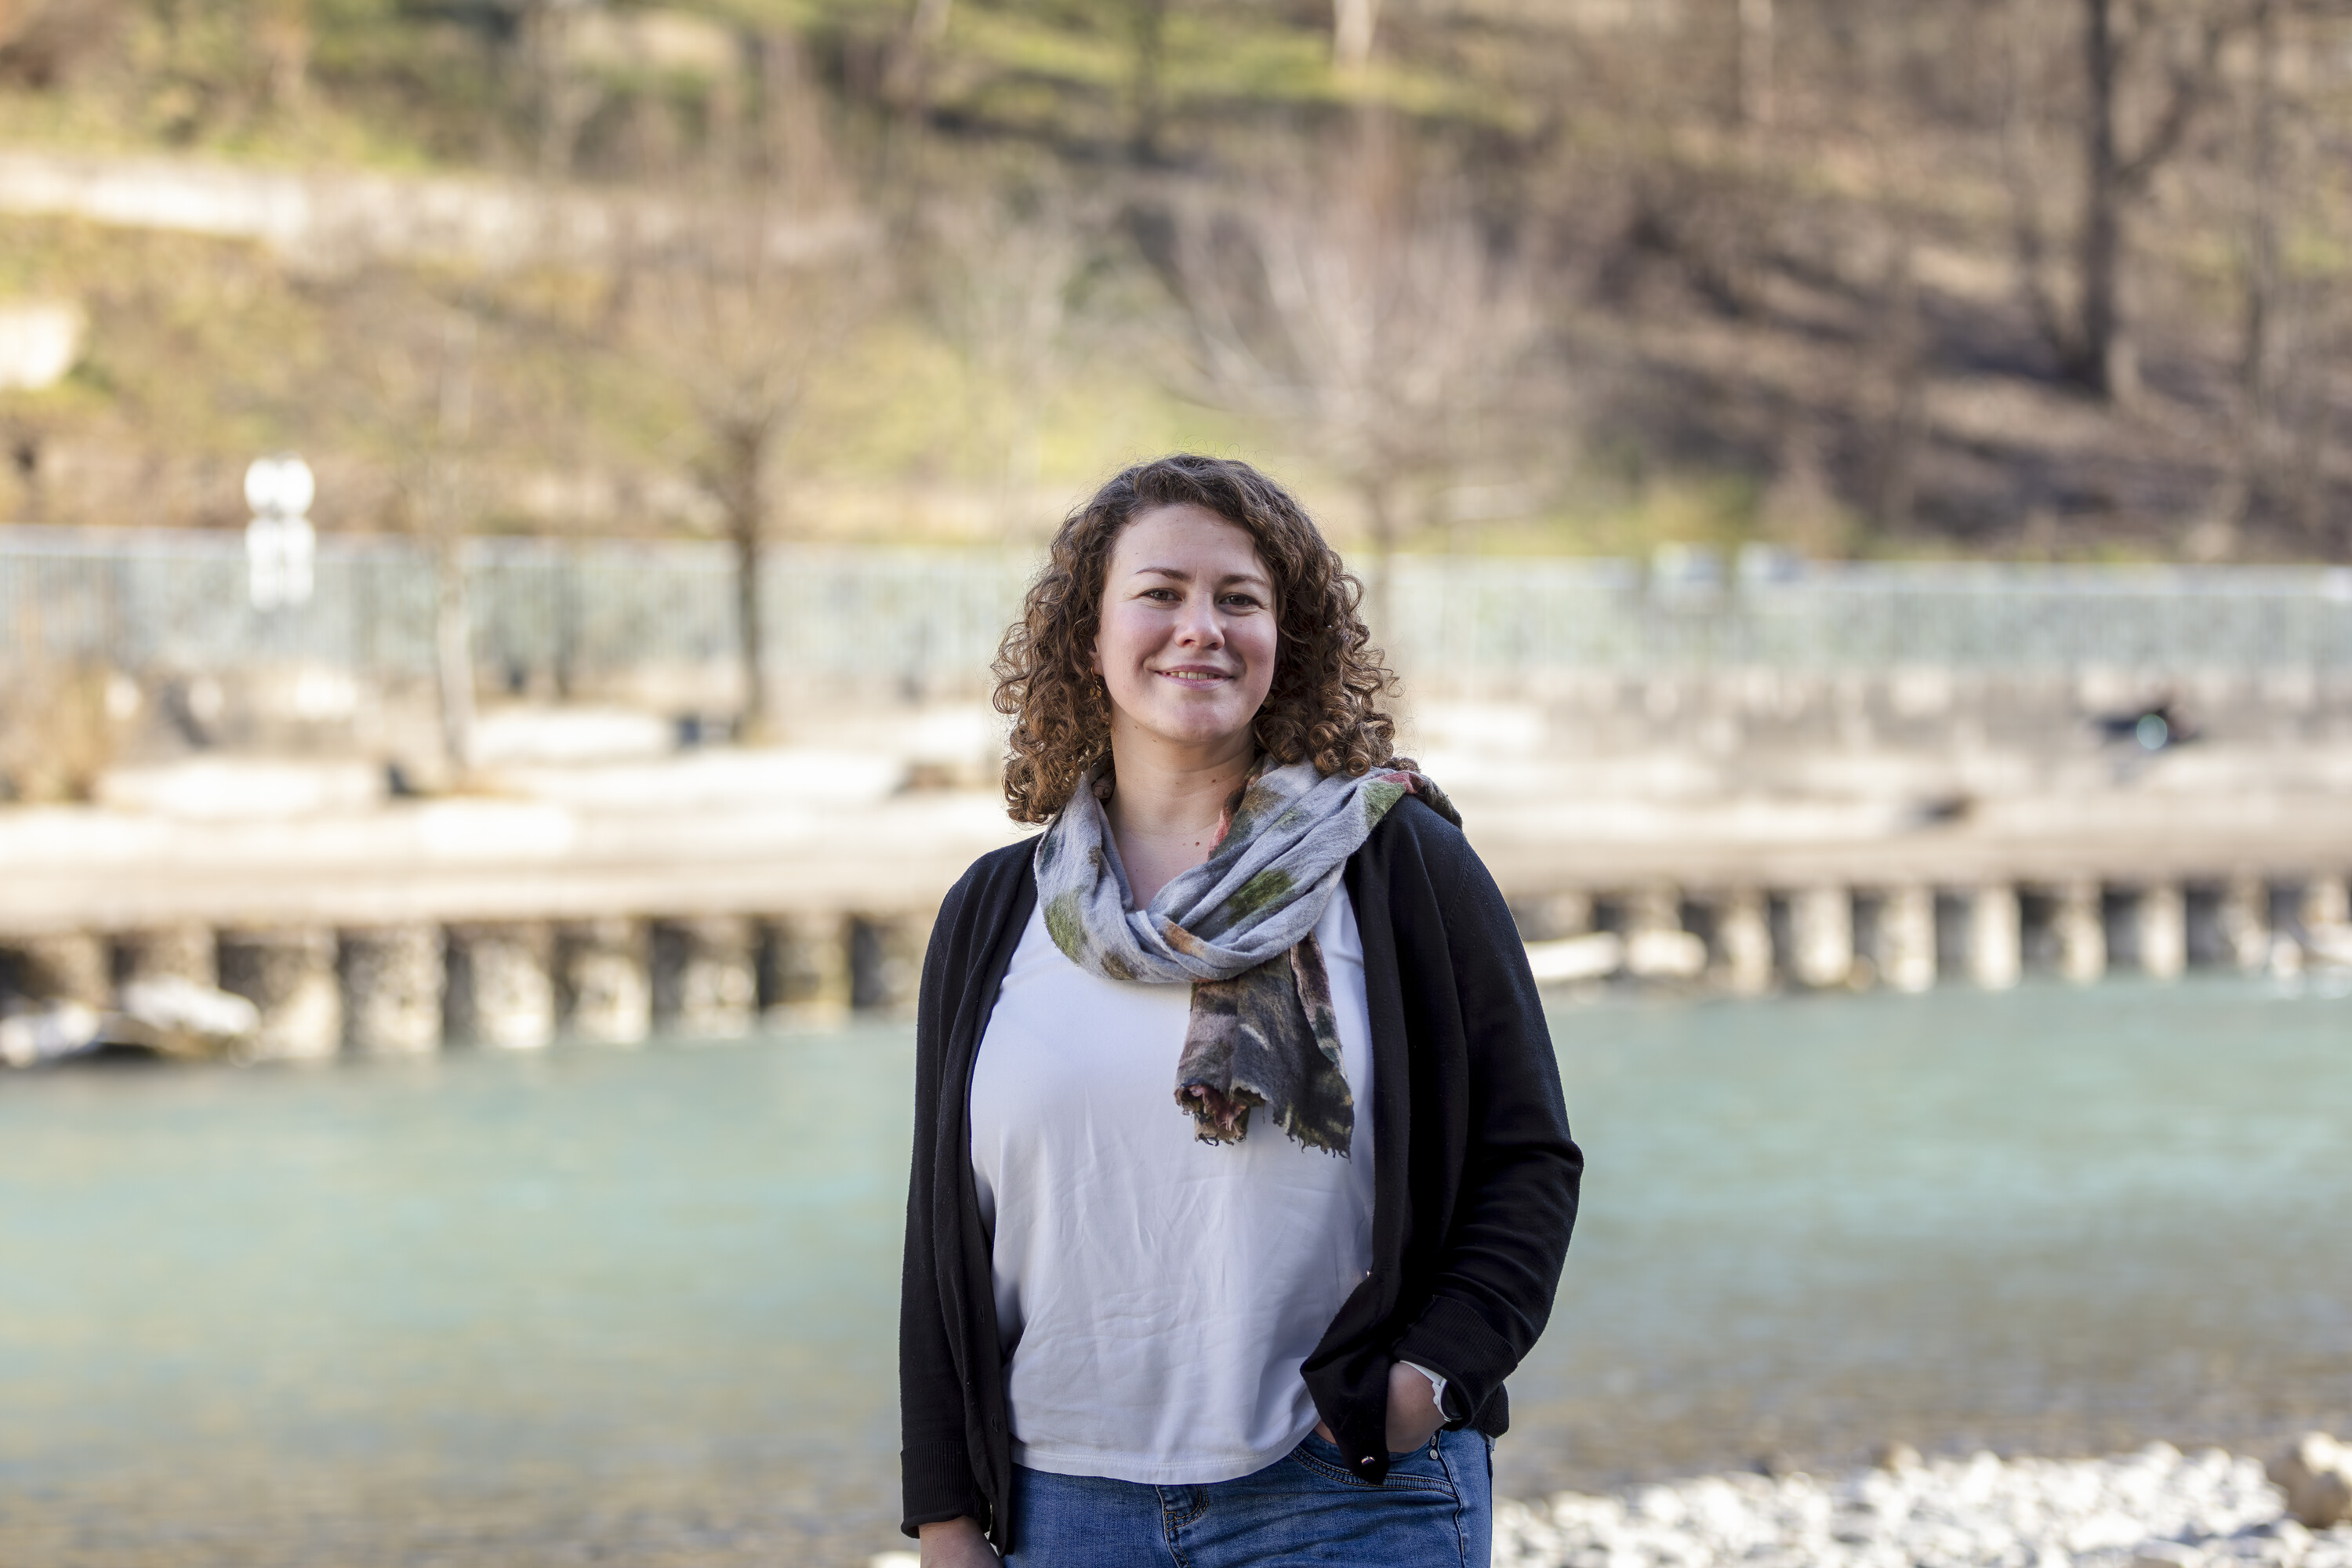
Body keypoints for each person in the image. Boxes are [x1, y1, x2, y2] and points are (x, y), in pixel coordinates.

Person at [899, 454, 1581, 1566]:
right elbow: (942, 1245)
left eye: (1240, 600)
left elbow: (1529, 1159)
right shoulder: (993, 913)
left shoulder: (1398, 863)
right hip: (1059, 1506)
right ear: (1089, 636)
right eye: (1160, 593)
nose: (1199, 629)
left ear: (1288, 642)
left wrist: (1420, 1383)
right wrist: (943, 1515)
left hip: (1346, 1494)